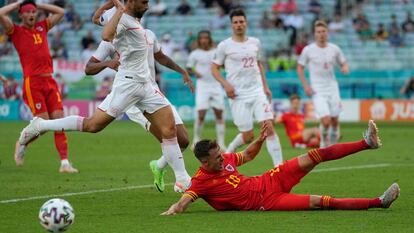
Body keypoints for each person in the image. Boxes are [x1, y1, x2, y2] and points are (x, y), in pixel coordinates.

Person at [18, 0, 194, 192]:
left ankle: (182, 180)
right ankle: (40, 125)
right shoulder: (122, 19)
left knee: (170, 130)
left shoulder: (135, 24)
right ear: (131, 2)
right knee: (92, 125)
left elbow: (96, 18)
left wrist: (111, 4)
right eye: (144, 2)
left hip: (146, 85)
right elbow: (106, 35)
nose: (148, 6)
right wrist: (118, 9)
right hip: (128, 84)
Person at [161, 120, 400, 215]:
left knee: (314, 155)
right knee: (322, 201)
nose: (223, 159)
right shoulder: (201, 181)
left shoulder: (227, 160)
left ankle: (366, 143)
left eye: (222, 154)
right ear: (205, 163)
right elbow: (184, 201)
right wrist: (174, 209)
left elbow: (248, 155)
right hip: (267, 202)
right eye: (217, 158)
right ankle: (379, 202)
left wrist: (261, 140)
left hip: (270, 179)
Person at [86, 1, 192, 192]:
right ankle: (182, 180)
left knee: (183, 140)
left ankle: (158, 166)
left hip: (153, 92)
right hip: (134, 98)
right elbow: (96, 20)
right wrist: (113, 3)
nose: (147, 6)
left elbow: (161, 57)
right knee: (167, 137)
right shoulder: (115, 37)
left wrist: (181, 70)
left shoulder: (147, 34)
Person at [0, 0, 78, 172]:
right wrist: (19, 3)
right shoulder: (16, 31)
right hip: (32, 82)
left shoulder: (42, 27)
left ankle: (64, 163)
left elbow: (60, 12)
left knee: (59, 121)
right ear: (21, 15)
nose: (32, 15)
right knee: (42, 124)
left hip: (49, 80)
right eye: (28, 12)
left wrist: (40, 4)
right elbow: (1, 14)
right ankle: (22, 142)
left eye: (34, 12)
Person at [211, 9, 283, 166]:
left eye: (241, 22)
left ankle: (279, 168)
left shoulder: (255, 42)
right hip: (238, 95)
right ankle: (229, 151)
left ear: (246, 23)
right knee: (248, 136)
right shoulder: (224, 46)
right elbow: (214, 68)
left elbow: (259, 64)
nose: (239, 25)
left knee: (268, 127)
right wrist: (226, 85)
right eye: (235, 22)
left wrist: (265, 86)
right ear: (231, 25)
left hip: (257, 92)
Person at [297, 20, 349, 148]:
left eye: (323, 31)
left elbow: (343, 62)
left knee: (335, 121)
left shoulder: (334, 49)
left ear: (327, 33)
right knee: (326, 121)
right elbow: (299, 67)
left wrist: (344, 67)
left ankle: (331, 145)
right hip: (317, 89)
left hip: (332, 88)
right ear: (315, 34)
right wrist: (306, 86)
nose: (321, 34)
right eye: (318, 32)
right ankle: (324, 144)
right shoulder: (308, 50)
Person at [186, 30, 226, 150]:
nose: (204, 40)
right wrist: (195, 72)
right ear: (199, 40)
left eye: (206, 38)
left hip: (216, 85)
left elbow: (223, 65)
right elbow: (188, 68)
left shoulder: (216, 52)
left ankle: (221, 143)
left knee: (219, 113)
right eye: (201, 38)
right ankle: (196, 139)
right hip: (202, 86)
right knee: (201, 114)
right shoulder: (195, 54)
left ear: (209, 39)